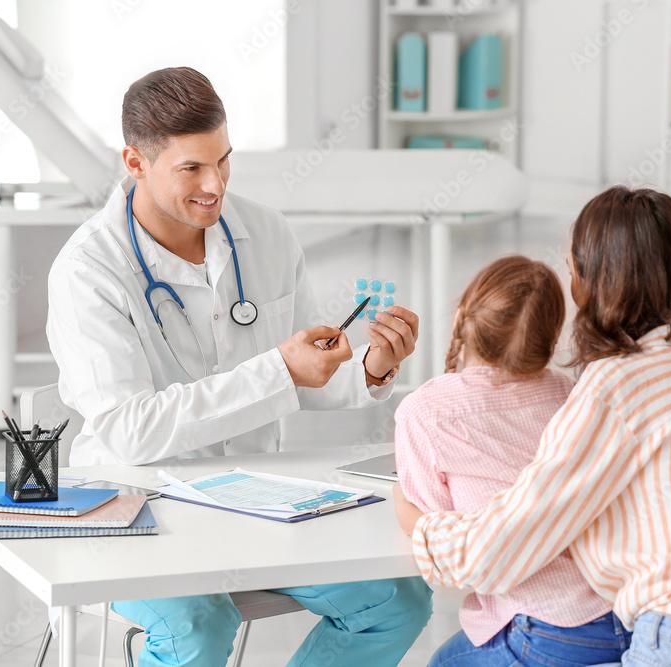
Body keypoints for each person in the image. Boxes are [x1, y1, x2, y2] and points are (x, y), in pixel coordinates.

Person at [46, 67, 431, 667]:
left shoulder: (266, 233)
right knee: (198, 627)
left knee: (398, 601)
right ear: (135, 161)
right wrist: (280, 369)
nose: (214, 185)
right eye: (191, 169)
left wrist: (370, 368)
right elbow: (129, 431)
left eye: (223, 160)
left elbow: (305, 377)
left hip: (256, 495)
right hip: (140, 501)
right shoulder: (89, 270)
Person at [394, 186, 671, 666]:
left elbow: (500, 550)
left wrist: (420, 526)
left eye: (573, 266)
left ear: (599, 278)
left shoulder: (620, 381)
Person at [394, 255, 633, 666]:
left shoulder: (426, 410)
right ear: (552, 336)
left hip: (547, 628)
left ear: (463, 317)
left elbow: (434, 523)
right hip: (622, 614)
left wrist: (401, 499)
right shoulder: (575, 395)